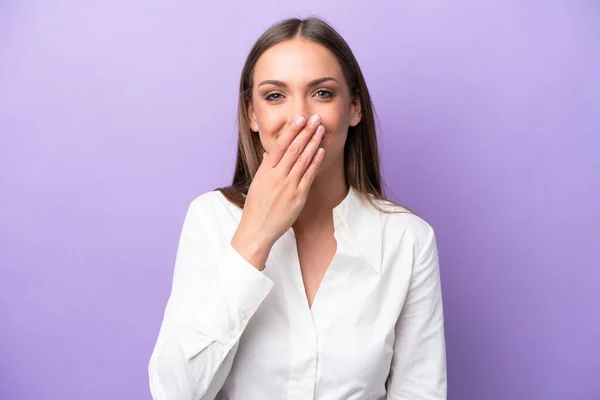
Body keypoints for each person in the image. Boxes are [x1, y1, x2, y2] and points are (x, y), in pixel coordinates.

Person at [148, 16, 446, 400]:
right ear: (253, 114)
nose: (300, 118)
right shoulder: (211, 219)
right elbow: (174, 392)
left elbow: (420, 392)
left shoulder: (408, 240)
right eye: (275, 96)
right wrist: (254, 238)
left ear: (354, 108)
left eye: (322, 93)